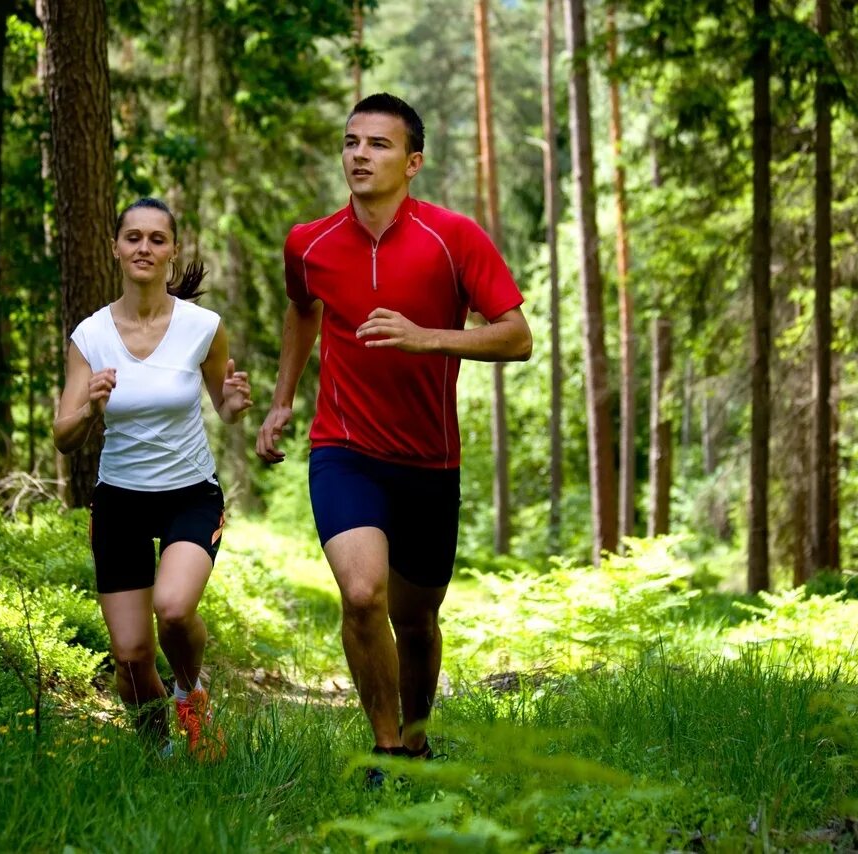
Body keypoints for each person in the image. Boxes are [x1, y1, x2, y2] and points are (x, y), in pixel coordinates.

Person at [255, 93, 532, 785]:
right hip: (345, 448)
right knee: (361, 595)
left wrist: (427, 338)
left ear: (412, 162)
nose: (359, 155)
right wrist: (282, 400)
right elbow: (301, 308)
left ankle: (416, 740)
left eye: (378, 144)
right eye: (351, 142)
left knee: (415, 622)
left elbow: (517, 336)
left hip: (430, 460)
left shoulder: (453, 237)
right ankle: (384, 752)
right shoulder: (309, 242)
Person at [54, 197, 252, 761]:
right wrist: (89, 409)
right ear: (116, 248)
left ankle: (191, 691)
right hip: (120, 501)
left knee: (172, 607)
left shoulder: (202, 328)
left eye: (156, 239)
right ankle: (159, 756)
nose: (144, 248)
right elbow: (63, 434)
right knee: (132, 655)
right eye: (133, 237)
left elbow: (222, 401)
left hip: (190, 494)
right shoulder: (90, 337)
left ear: (174, 251)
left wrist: (235, 404)